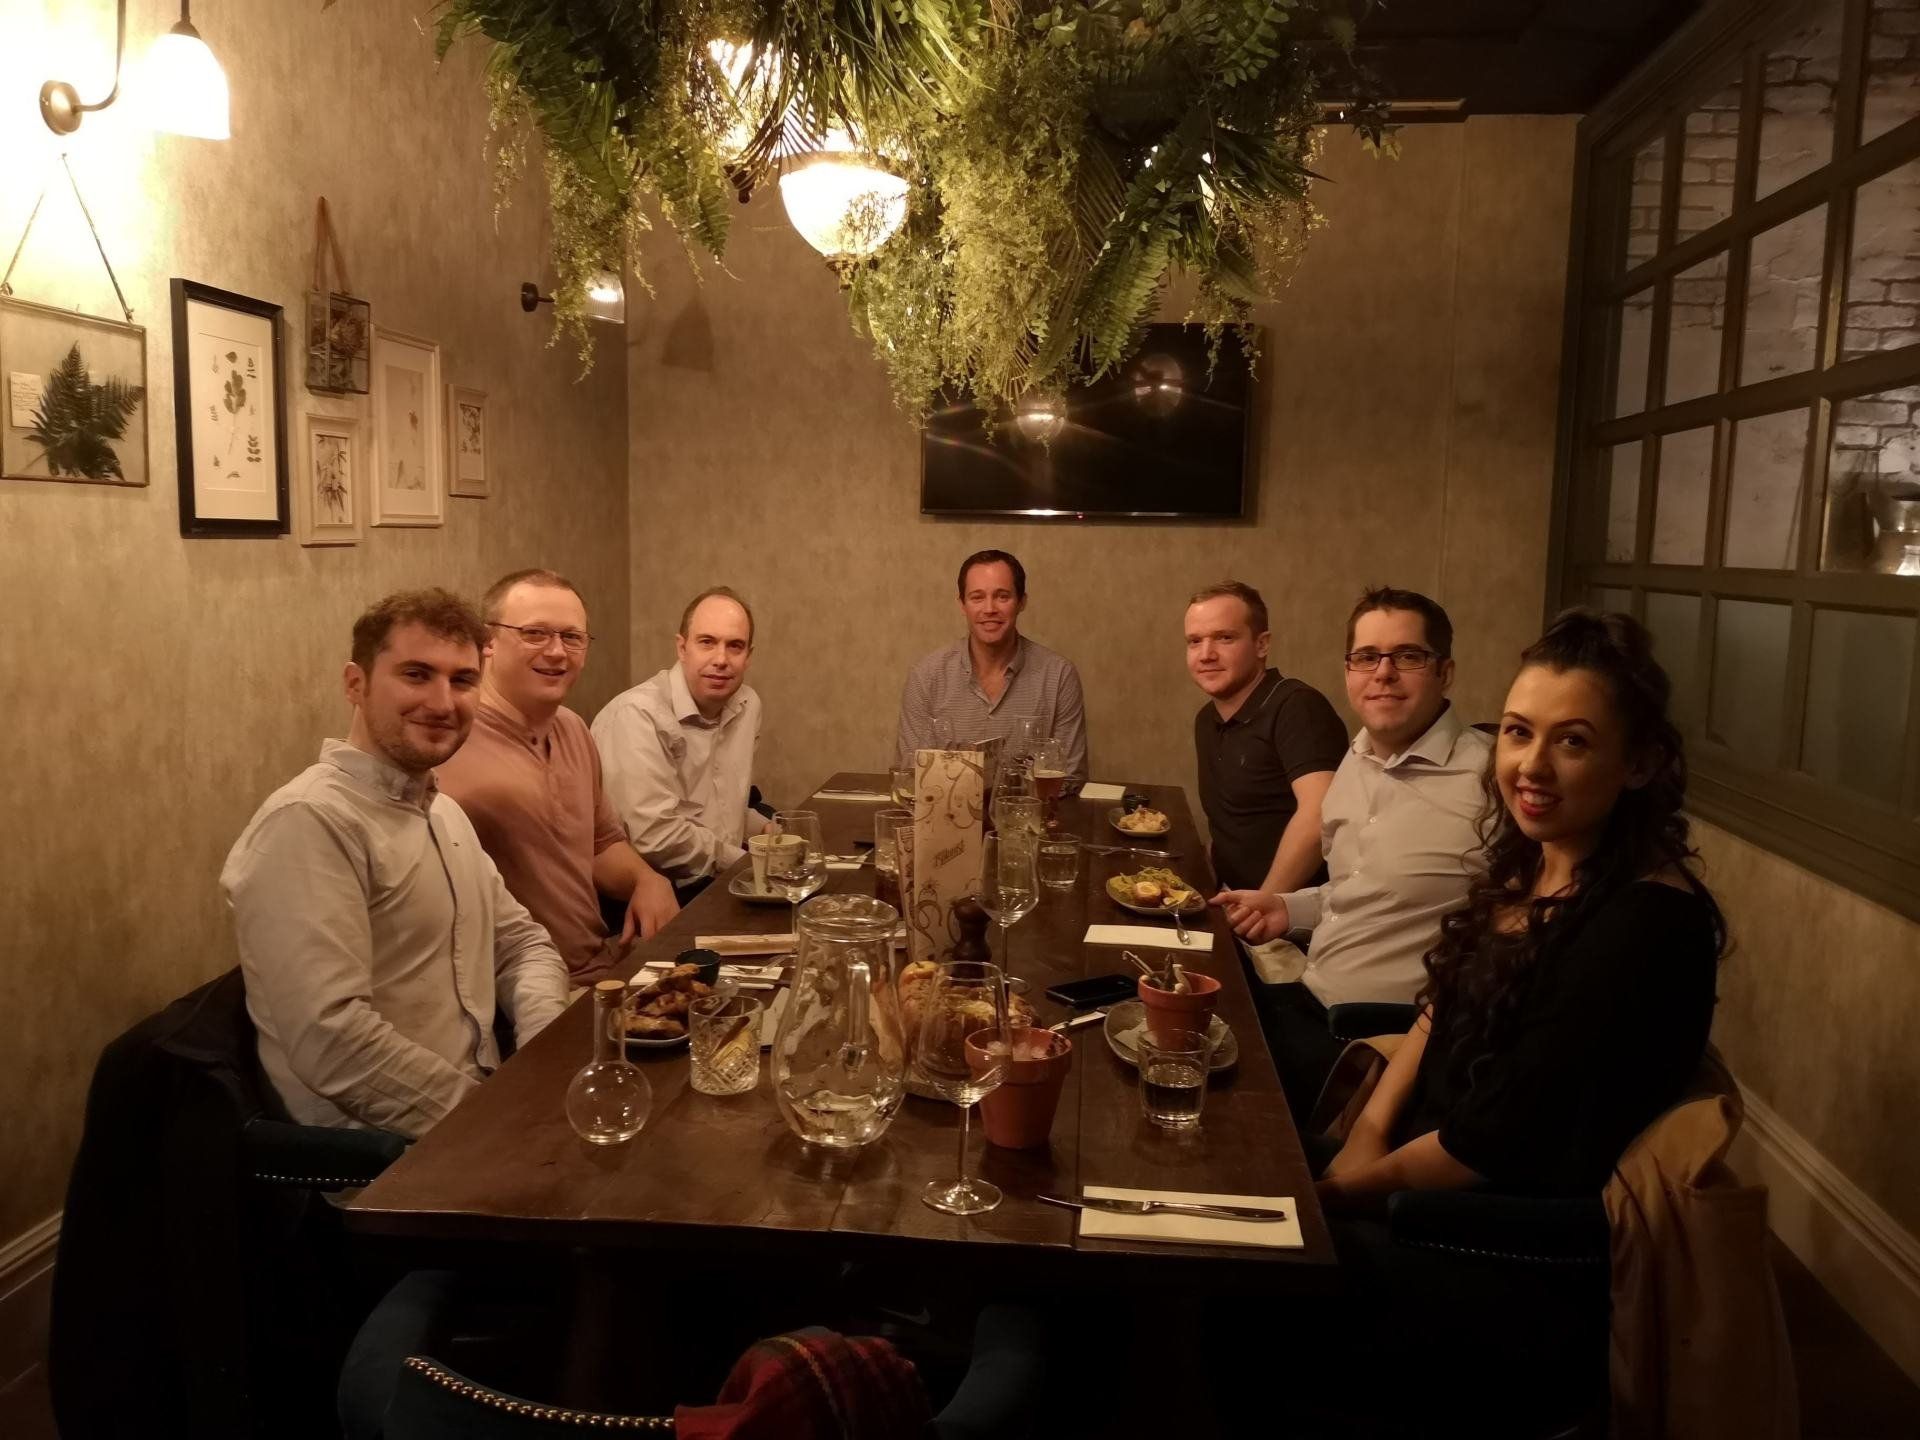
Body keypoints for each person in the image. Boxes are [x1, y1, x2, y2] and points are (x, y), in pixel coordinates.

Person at [1316, 608, 1724, 1212]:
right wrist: (1367, 1134)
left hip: (1479, 1226)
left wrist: (1335, 1195)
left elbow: (1488, 1144)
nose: (1532, 766)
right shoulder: (1532, 862)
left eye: (1573, 741)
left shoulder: (1646, 926)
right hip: (1406, 1165)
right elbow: (1439, 1012)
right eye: (1518, 731)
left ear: (1638, 764)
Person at [222, 589, 571, 1139]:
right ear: (354, 684)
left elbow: (522, 946)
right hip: (382, 1168)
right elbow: (332, 1042)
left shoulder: (444, 813)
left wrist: (539, 1063)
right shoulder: (309, 823)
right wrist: (495, 1123)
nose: (442, 702)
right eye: (416, 674)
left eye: (461, 681)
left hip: (486, 1113)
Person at [1212, 587, 1492, 1117]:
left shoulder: (1492, 779)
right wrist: (1286, 907)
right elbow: (1353, 889)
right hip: (1305, 1000)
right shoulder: (1357, 759)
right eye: (1366, 657)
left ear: (1445, 672)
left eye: (1408, 656)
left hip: (1377, 1048)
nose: (1382, 672)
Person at [435, 569, 679, 988]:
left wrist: (647, 879)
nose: (556, 652)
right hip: (515, 996)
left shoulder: (573, 729)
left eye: (572, 637)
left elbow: (601, 846)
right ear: (486, 642)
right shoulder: (448, 739)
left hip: (599, 971)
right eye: (534, 634)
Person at [593, 587, 771, 895]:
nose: (721, 659)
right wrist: (746, 865)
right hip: (657, 893)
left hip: (718, 879)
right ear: (682, 647)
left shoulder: (747, 704)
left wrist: (769, 831)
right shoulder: (637, 715)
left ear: (749, 657)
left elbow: (721, 807)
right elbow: (656, 837)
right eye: (707, 642)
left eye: (735, 646)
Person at [1187, 580, 1348, 897]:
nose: (1206, 654)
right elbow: (1231, 825)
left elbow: (1320, 813)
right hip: (1232, 903)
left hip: (1290, 923)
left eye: (1225, 638)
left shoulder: (1298, 706)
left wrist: (1262, 905)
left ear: (1262, 645)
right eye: (1194, 641)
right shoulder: (1206, 719)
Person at [895, 550, 1088, 779]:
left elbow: (1070, 777)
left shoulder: (1059, 676)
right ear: (962, 604)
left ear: (1021, 602)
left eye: (1002, 596)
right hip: (946, 815)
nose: (989, 609)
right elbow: (910, 774)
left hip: (1030, 815)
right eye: (977, 597)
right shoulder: (926, 677)